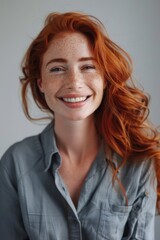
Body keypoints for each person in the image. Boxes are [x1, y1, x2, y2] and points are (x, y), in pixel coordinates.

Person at [0, 11, 160, 240]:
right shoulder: (14, 164)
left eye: (88, 67)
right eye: (57, 69)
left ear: (105, 79)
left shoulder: (139, 165)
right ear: (41, 83)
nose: (74, 82)